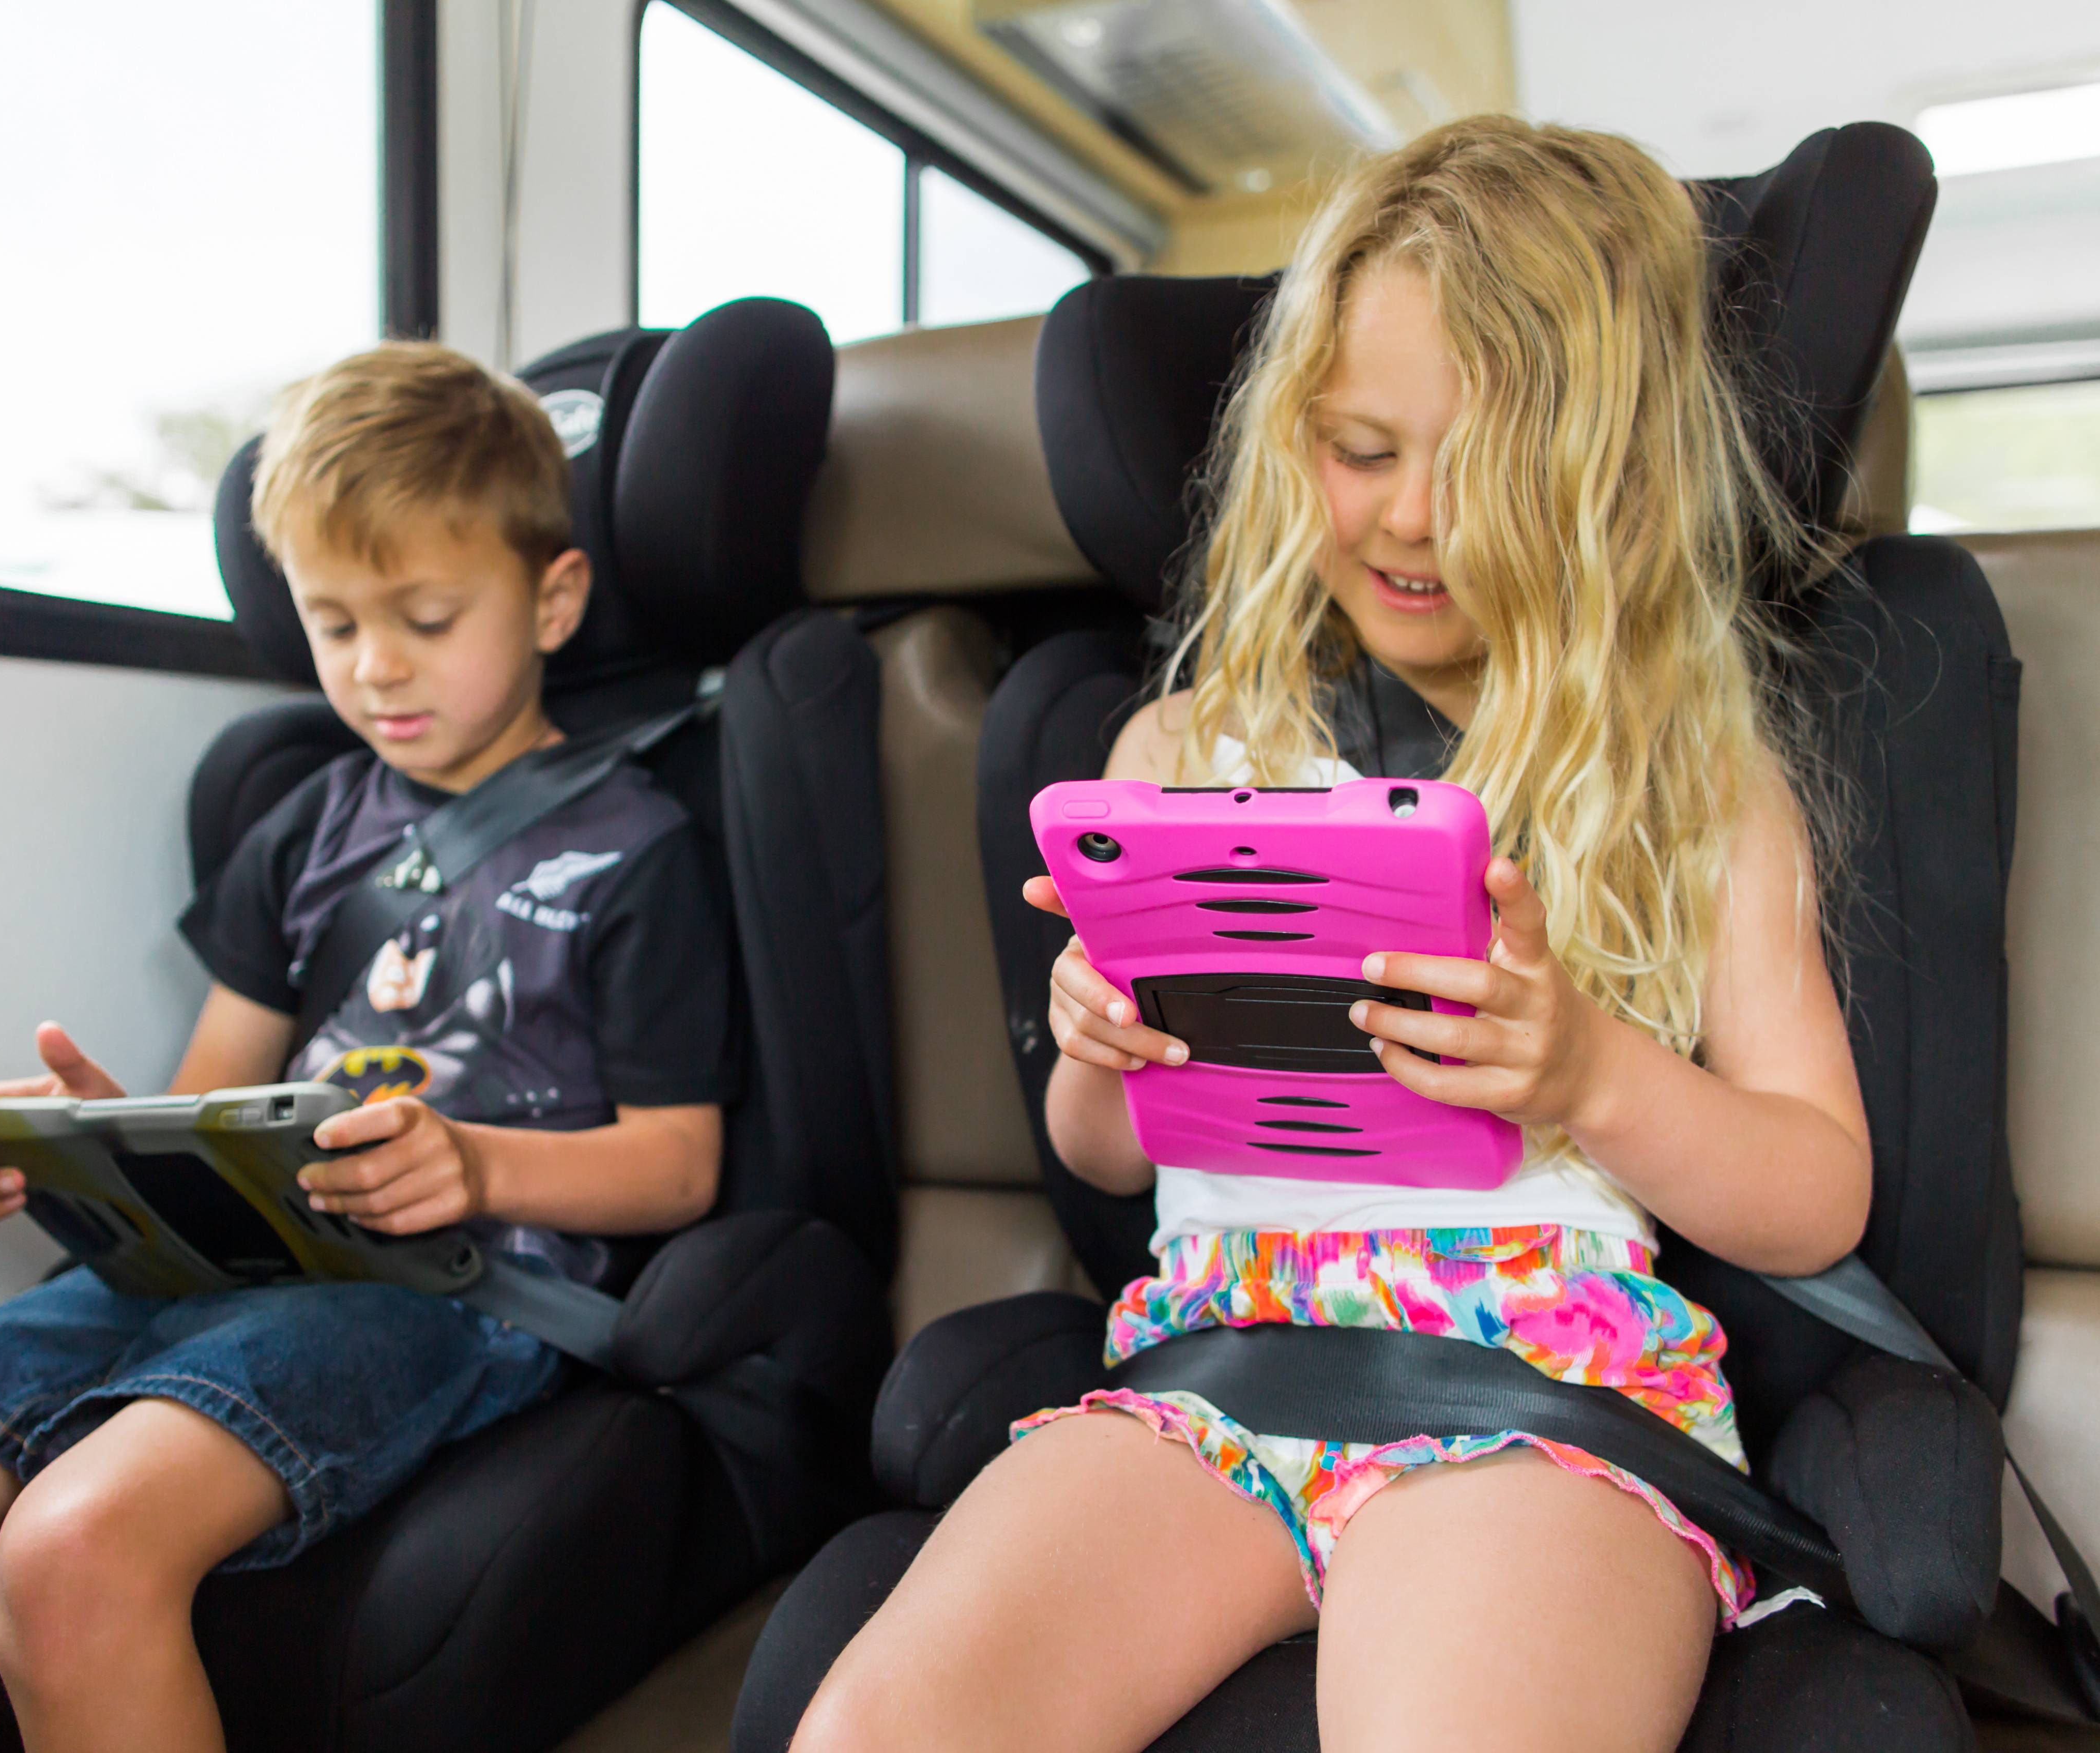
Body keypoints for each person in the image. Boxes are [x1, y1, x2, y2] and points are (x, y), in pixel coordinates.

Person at [793, 117, 1871, 1753]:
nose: (1414, 520)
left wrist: (1588, 1070)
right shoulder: (1178, 751)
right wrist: (1103, 1039)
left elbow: (1813, 1194)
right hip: (1214, 1362)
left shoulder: (1688, 778)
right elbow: (1100, 1155)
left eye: (1489, 465)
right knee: (876, 1727)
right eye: (1360, 451)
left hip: (1536, 1388)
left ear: (1609, 479)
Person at [0, 342, 737, 1753]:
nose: (375, 666)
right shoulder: (305, 824)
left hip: (458, 1286)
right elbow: (214, 1096)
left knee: (69, 1552)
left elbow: (676, 1168)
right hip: (228, 1262)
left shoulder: (633, 850)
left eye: (423, 616)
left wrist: (464, 1166)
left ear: (554, 596)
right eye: (334, 625)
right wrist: (91, 1145)